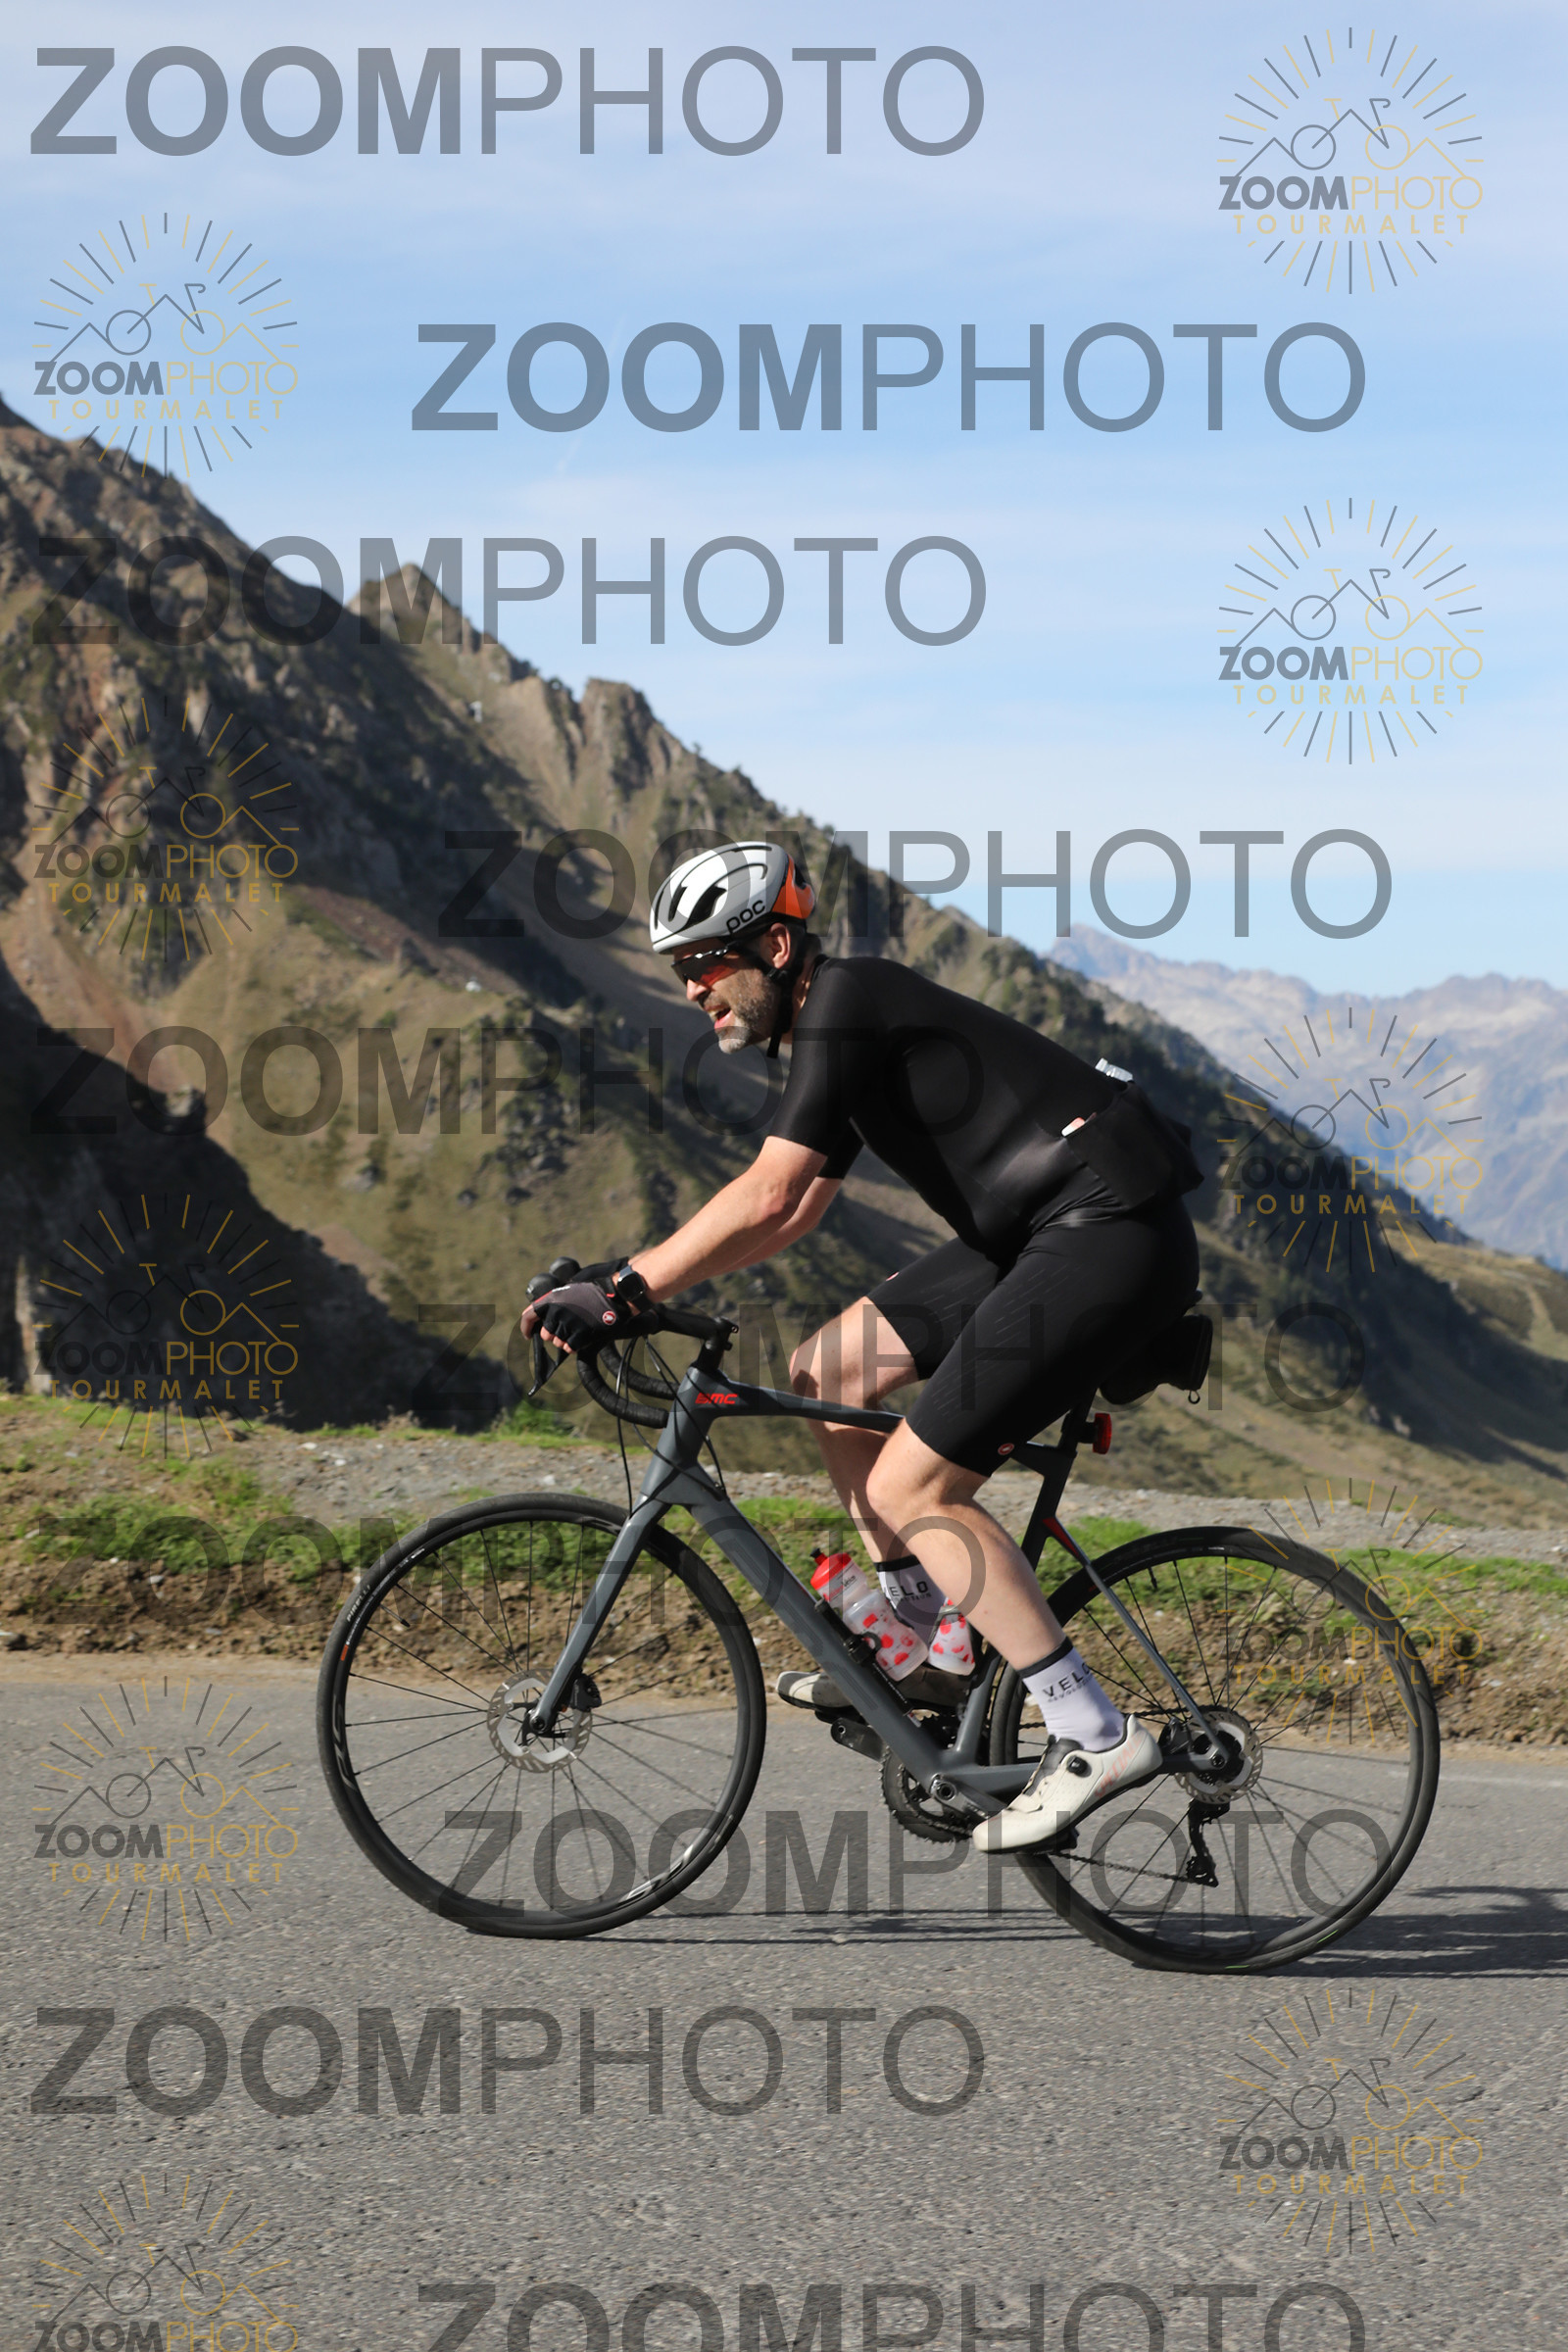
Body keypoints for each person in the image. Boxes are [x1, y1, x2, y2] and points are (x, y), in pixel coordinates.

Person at [521, 841, 1202, 1849]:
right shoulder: (831, 1031)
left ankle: (1090, 1731)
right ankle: (928, 1637)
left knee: (914, 1488)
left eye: (705, 964)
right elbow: (794, 1210)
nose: (692, 990)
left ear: (775, 947)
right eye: (680, 972)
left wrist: (623, 1288)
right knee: (829, 1368)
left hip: (1109, 1232)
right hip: (1043, 1234)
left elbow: (767, 1190)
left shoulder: (850, 1000)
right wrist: (631, 1283)